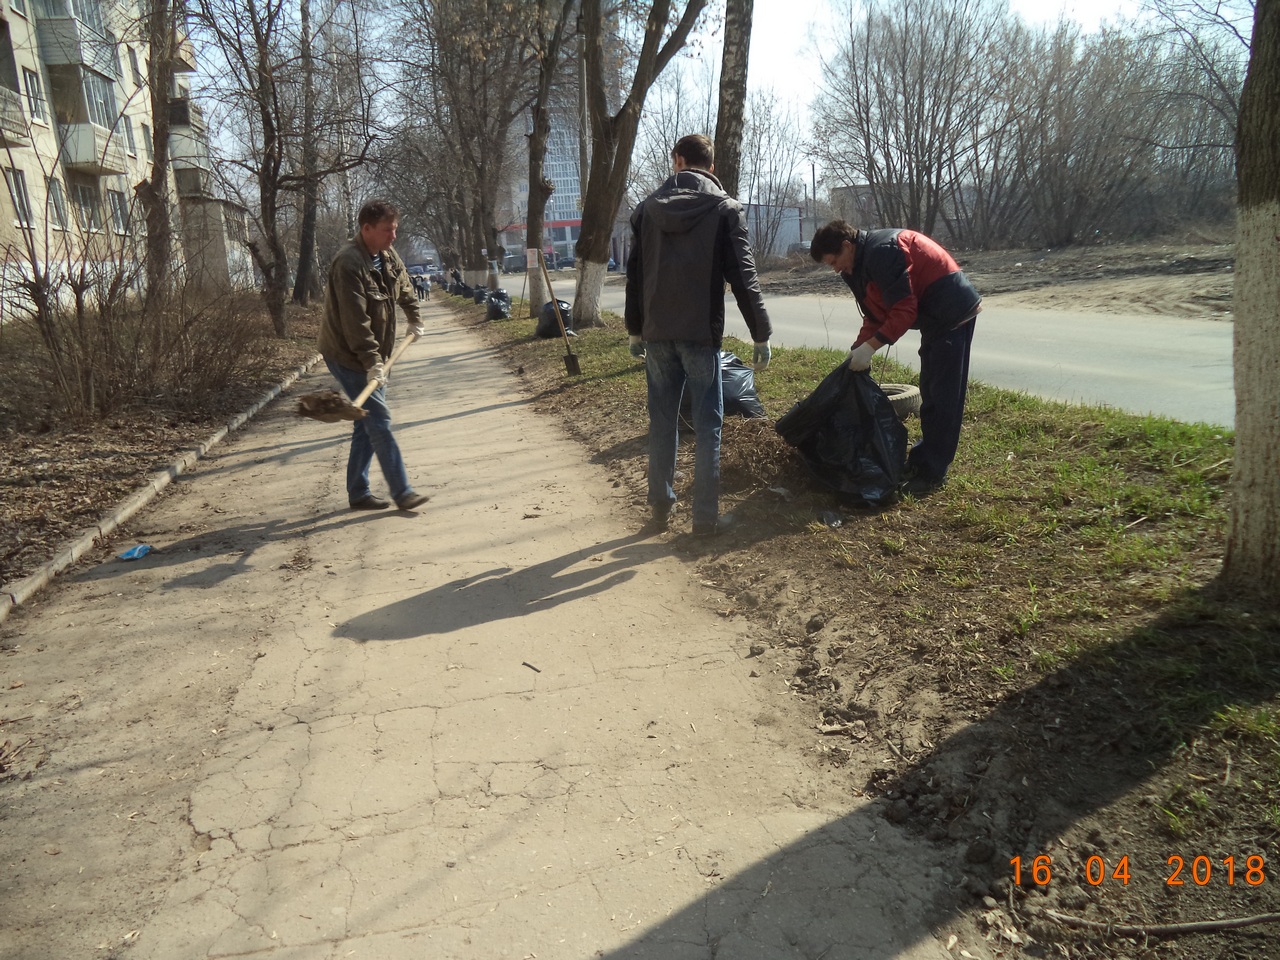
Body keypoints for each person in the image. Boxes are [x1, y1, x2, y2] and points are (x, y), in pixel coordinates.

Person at [625, 134, 772, 536]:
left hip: (656, 335)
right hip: (700, 335)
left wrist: (635, 329)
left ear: (677, 160)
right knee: (708, 425)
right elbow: (744, 278)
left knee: (662, 421)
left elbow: (633, 277)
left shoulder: (646, 210)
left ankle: (659, 508)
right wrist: (761, 334)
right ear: (711, 166)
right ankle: (704, 520)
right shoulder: (724, 209)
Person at [809, 220, 981, 497]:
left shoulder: (882, 251)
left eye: (834, 261)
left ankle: (933, 472)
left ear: (846, 245)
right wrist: (858, 348)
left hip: (952, 310)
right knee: (930, 388)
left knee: (943, 394)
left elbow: (904, 310)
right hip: (933, 316)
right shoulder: (856, 266)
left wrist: (872, 347)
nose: (836, 268)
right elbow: (875, 314)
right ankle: (924, 459)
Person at [319, 199, 430, 511]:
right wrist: (371, 363)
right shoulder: (348, 263)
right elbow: (356, 321)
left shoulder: (385, 253)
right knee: (379, 419)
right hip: (348, 354)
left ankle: (358, 492)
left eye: (394, 230)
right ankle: (403, 491)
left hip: (376, 354)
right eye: (387, 231)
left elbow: (404, 284)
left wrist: (414, 318)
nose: (393, 236)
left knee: (364, 422)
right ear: (366, 229)